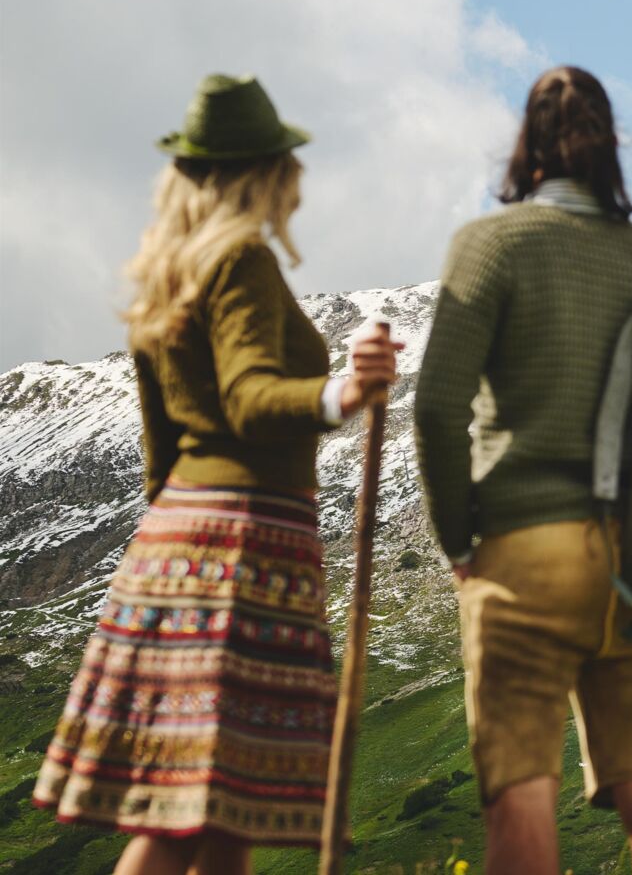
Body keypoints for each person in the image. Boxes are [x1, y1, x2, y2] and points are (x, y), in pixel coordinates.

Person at [32, 74, 402, 875]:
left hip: (176, 542)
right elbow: (249, 397)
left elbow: (159, 449)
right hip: (245, 546)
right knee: (213, 815)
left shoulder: (163, 275)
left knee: (191, 816)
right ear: (264, 171)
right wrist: (347, 391)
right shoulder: (241, 258)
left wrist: (172, 545)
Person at [414, 65, 632, 875]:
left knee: (521, 785)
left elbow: (437, 405)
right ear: (613, 146)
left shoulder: (491, 245)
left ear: (527, 146)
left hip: (522, 551)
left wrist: (457, 539)